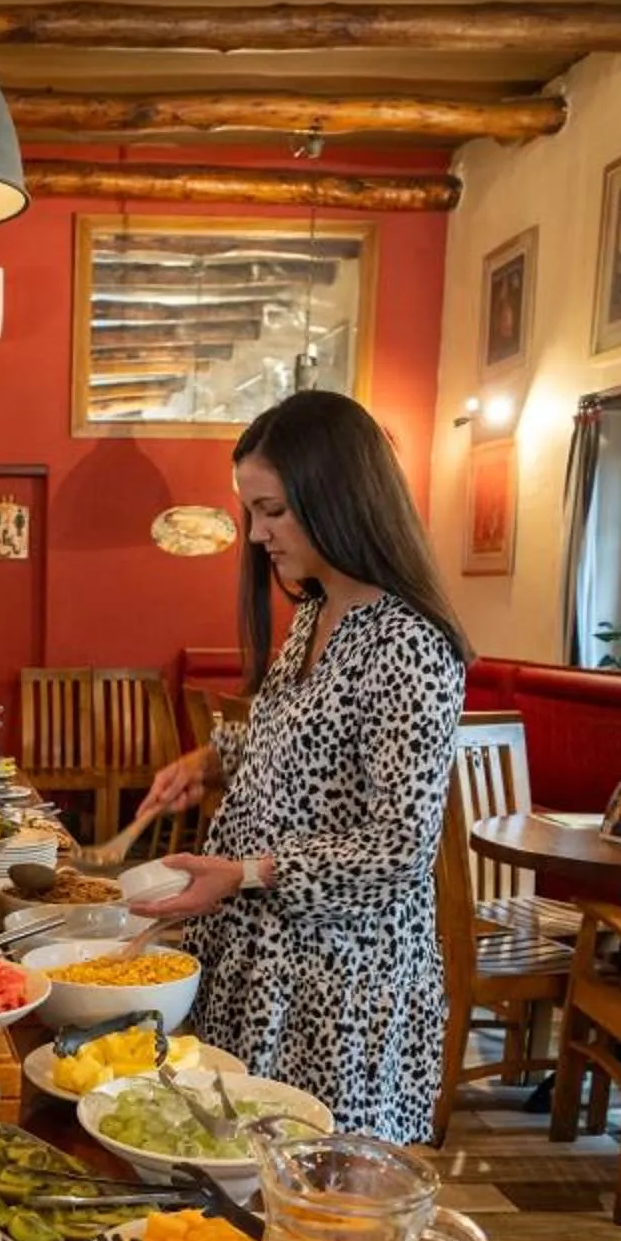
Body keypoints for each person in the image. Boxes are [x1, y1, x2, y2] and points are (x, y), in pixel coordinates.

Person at [132, 390, 473, 1146]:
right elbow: (291, 743)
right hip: (263, 957)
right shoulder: (318, 614)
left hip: (342, 980)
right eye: (252, 512)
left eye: (273, 511)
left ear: (339, 496)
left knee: (321, 1191)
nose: (256, 535)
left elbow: (399, 849)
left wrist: (248, 872)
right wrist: (210, 760)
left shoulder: (410, 646)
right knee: (239, 1171)